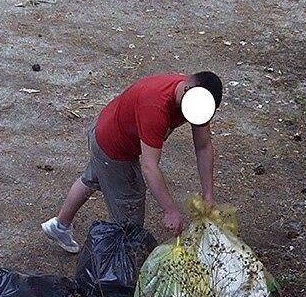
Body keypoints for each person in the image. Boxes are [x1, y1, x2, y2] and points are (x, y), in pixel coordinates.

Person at [41, 71, 223, 253]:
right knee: (130, 217)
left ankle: (59, 226)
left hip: (106, 127)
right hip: (113, 147)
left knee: (93, 178)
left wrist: (208, 195)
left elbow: (203, 146)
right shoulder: (156, 107)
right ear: (186, 88)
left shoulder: (197, 99)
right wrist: (170, 211)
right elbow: (149, 166)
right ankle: (118, 272)